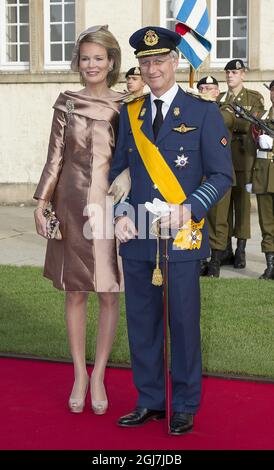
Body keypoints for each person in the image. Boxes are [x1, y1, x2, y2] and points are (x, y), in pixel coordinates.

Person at [110, 26, 232, 435]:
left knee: (182, 323)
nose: (152, 68)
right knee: (141, 323)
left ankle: (183, 403)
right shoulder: (130, 113)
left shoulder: (203, 111)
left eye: (159, 60)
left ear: (175, 62)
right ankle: (150, 400)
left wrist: (190, 209)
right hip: (139, 233)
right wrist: (119, 215)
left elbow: (221, 174)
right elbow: (118, 173)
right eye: (145, 63)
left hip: (182, 233)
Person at [33, 25, 126, 415]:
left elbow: (131, 159)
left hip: (107, 206)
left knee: (107, 290)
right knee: (74, 290)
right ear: (78, 61)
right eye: (85, 57)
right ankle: (79, 374)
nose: (91, 64)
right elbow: (55, 158)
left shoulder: (126, 105)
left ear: (111, 62)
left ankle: (100, 373)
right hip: (69, 203)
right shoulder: (66, 102)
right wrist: (41, 202)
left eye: (98, 58)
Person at [218, 59, 264, 269]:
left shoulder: (253, 98)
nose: (230, 76)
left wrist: (231, 121)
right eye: (227, 73)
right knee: (223, 207)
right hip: (223, 160)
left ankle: (241, 250)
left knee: (243, 206)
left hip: (244, 159)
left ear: (243, 75)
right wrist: (237, 121)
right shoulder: (218, 98)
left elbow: (251, 124)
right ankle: (224, 247)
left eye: (234, 73)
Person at [197, 76, 235, 277]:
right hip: (198, 172)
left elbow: (225, 120)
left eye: (209, 88)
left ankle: (216, 261)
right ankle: (202, 258)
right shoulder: (195, 111)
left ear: (217, 91)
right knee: (200, 217)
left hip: (219, 173)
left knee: (219, 218)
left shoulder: (224, 109)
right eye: (201, 88)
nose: (205, 90)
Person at [247, 80, 274, 279]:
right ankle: (270, 265)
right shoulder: (261, 117)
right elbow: (250, 149)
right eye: (273, 90)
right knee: (267, 223)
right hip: (264, 175)